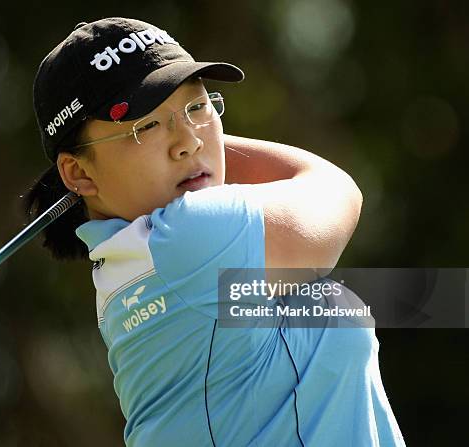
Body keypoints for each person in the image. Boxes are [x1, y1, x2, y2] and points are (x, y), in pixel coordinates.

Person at [24, 17, 406, 447]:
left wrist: (187, 138)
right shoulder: (189, 239)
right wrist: (200, 141)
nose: (186, 140)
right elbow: (335, 189)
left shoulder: (135, 262)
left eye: (198, 106)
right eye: (145, 126)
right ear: (77, 173)